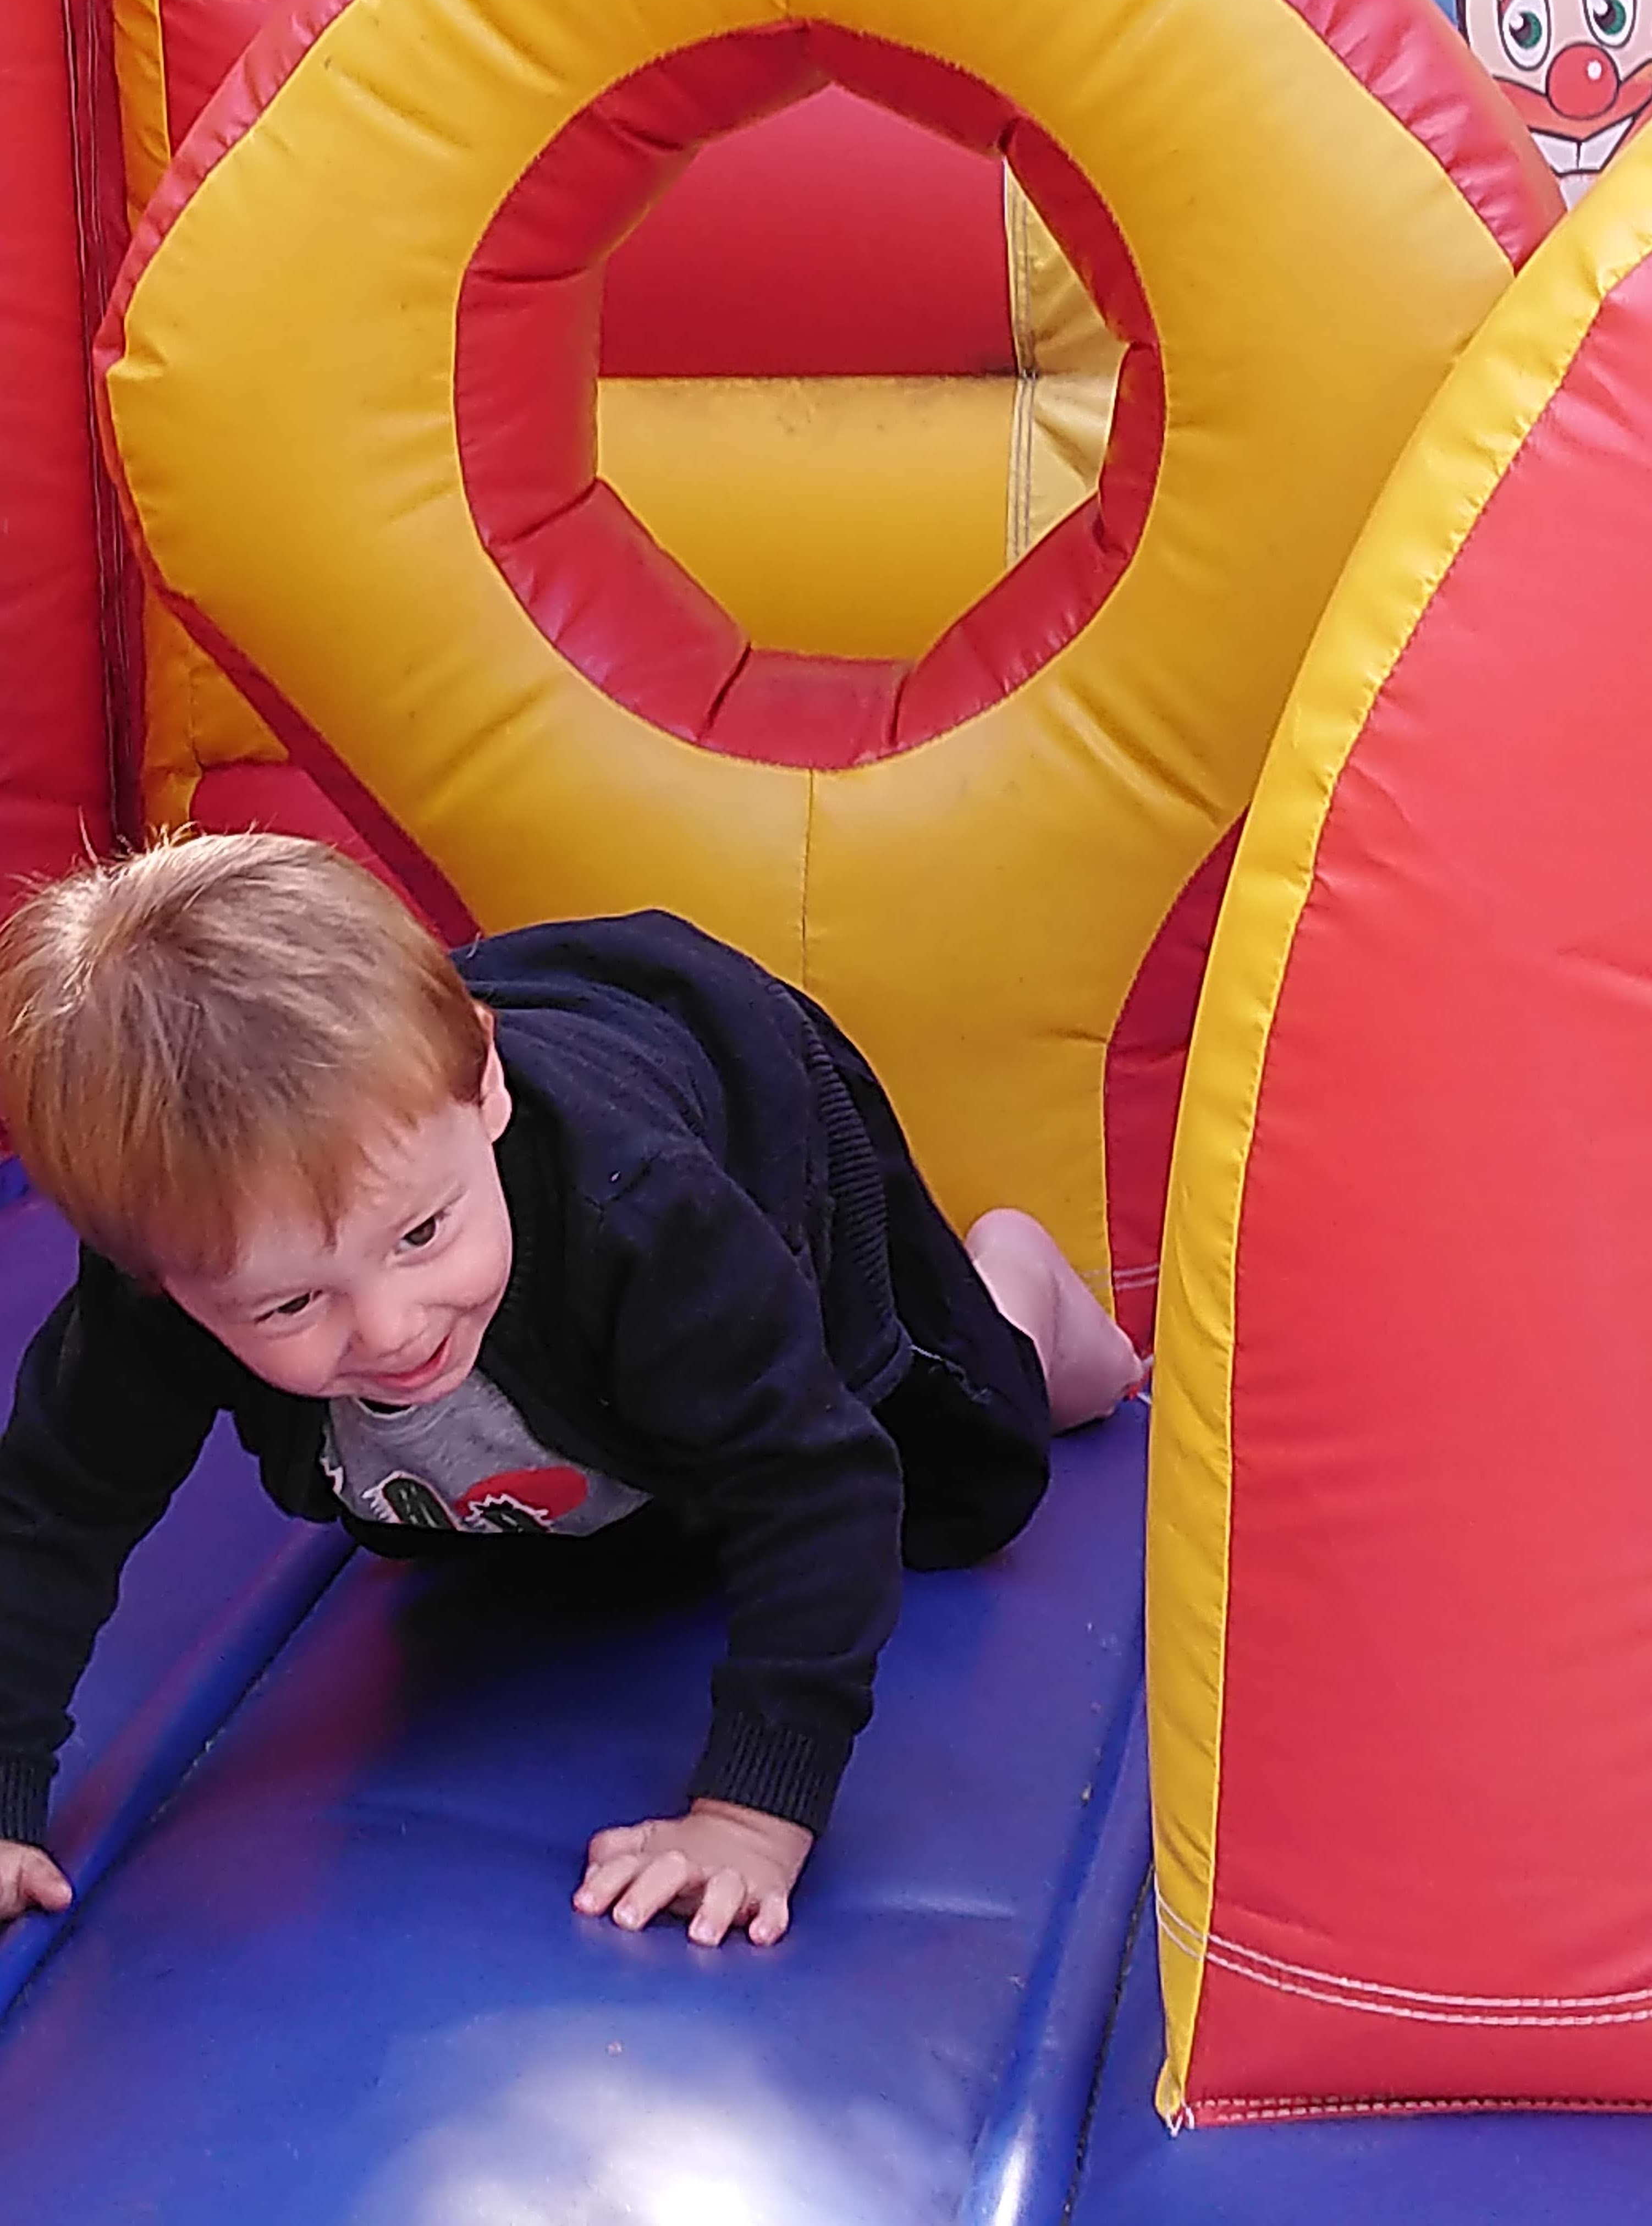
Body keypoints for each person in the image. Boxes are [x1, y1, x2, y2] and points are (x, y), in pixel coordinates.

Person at [0, 833, 1143, 1949]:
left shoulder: (645, 1214)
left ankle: (1022, 1293)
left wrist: (751, 1815)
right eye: (293, 1302)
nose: (390, 1326)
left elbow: (819, 1485)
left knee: (966, 1475)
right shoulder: (193, 1252)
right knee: (563, 1546)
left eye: (421, 1233)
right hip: (555, 1284)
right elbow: (51, 1513)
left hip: (752, 1115)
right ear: (161, 1279)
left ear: (485, 1089)